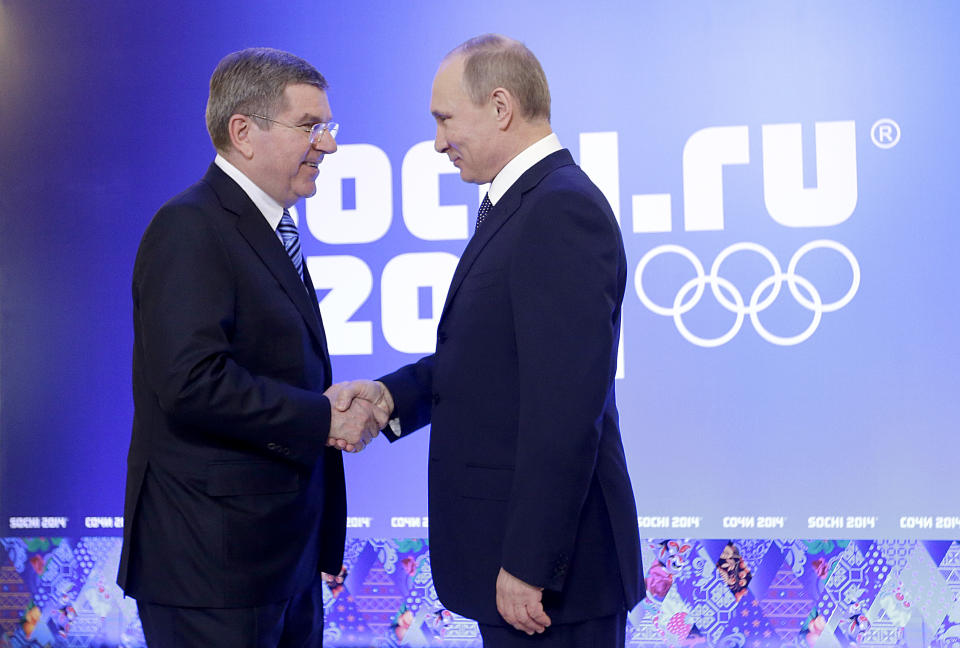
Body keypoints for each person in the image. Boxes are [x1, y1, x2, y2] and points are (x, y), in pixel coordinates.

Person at [332, 34, 644, 647]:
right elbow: (490, 364)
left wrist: (530, 563)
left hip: (552, 585)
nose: (438, 141)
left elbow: (565, 409)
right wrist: (391, 398)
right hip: (525, 574)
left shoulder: (558, 210)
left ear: (500, 108)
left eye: (445, 119)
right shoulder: (523, 205)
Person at [118, 47, 383, 648]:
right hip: (212, 567)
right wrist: (325, 417)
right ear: (244, 132)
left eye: (328, 127)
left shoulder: (267, 225)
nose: (329, 145)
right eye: (311, 126)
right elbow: (192, 382)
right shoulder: (190, 227)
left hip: (277, 560)